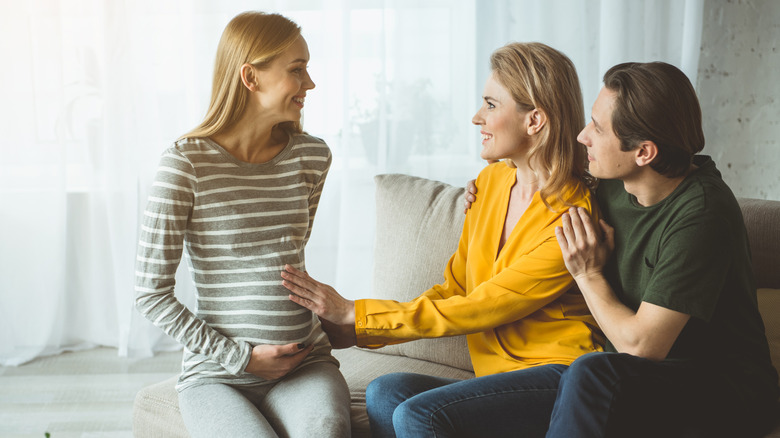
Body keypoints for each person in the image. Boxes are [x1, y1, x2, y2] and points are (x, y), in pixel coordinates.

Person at [280, 42, 603, 438]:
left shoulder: (571, 215)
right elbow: (455, 289)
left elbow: (481, 307)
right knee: (385, 392)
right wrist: (364, 330)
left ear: (534, 119)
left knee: (418, 415)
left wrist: (356, 312)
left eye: (490, 104)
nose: (476, 117)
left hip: (556, 378)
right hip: (493, 379)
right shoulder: (489, 184)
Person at [465, 61, 778, 436]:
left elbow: (642, 346)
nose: (582, 137)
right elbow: (538, 164)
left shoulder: (703, 216)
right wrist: (487, 188)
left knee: (590, 371)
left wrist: (587, 273)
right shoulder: (610, 178)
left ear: (644, 152)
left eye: (597, 128)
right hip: (634, 379)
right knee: (396, 394)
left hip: (721, 391)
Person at [134, 12, 350, 438]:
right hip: (217, 375)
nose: (309, 84)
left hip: (305, 363)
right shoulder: (185, 164)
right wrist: (241, 358)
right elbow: (150, 294)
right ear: (251, 76)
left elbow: (282, 256)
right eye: (297, 70)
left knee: (324, 429)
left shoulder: (312, 156)